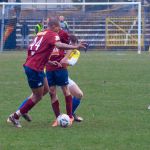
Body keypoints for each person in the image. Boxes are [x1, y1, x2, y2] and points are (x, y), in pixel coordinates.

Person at [7, 18, 86, 128]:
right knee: (37, 96)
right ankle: (15, 116)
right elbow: (59, 45)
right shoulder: (52, 34)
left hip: (38, 67)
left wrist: (48, 61)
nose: (60, 30)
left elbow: (34, 50)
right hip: (34, 69)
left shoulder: (40, 34)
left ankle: (25, 111)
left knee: (47, 90)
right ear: (53, 26)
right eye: (58, 27)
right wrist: (75, 47)